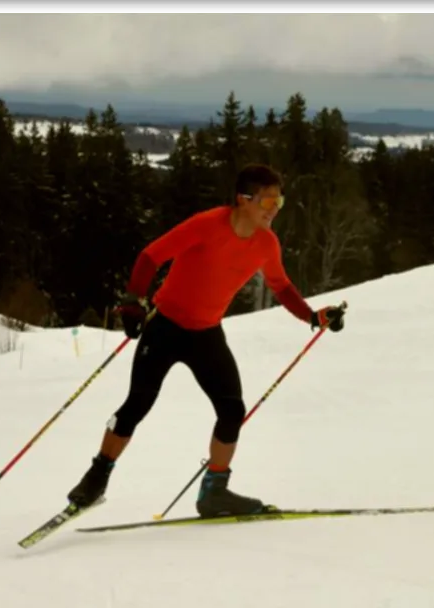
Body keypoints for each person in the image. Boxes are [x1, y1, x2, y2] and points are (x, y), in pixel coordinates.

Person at [66, 164, 347, 517]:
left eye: (280, 200)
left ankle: (215, 492)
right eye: (269, 200)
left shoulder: (266, 243)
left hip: (206, 334)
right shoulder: (207, 224)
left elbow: (281, 286)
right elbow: (151, 256)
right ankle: (96, 478)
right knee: (137, 405)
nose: (275, 207)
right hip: (165, 327)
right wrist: (134, 301)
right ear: (243, 200)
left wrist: (312, 317)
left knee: (232, 411)